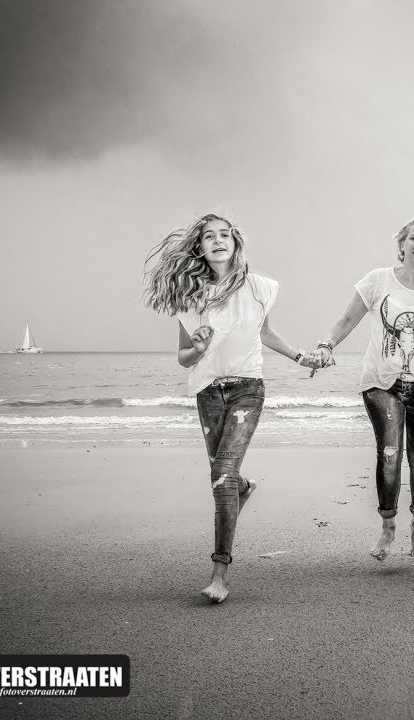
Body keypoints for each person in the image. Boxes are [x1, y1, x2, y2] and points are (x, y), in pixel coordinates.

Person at [142, 212, 318, 603]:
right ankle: (244, 487)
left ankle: (219, 574)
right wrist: (199, 347)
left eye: (225, 234)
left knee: (220, 475)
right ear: (200, 247)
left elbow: (265, 332)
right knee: (226, 477)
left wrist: (300, 357)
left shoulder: (259, 287)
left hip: (246, 389)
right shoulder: (191, 295)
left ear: (235, 242)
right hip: (208, 392)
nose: (218, 240)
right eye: (210, 236)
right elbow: (184, 358)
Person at [306, 213, 414, 560]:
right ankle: (388, 526)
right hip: (382, 383)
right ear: (401, 244)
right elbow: (347, 319)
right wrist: (326, 345)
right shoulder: (377, 280)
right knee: (390, 453)